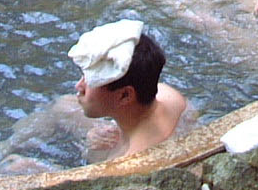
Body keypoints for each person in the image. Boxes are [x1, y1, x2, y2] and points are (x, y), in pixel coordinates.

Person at [69, 19, 188, 160]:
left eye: (89, 80)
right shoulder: (169, 96)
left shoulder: (131, 160)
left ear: (125, 95)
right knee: (63, 105)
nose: (79, 86)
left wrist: (92, 153)